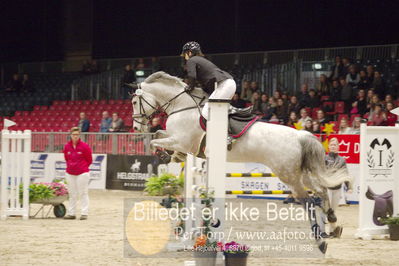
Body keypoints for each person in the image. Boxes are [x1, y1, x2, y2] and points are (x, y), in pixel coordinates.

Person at [181, 41, 236, 147]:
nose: (184, 56)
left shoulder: (192, 60)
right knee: (217, 110)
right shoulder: (201, 61)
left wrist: (189, 87)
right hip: (228, 83)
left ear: (190, 52)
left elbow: (192, 75)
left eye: (185, 53)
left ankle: (226, 137)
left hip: (224, 84)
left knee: (206, 111)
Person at [324, 137, 352, 238]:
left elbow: (345, 174)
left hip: (337, 188)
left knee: (333, 210)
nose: (333, 146)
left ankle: (332, 232)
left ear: (338, 147)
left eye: (335, 145)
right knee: (327, 210)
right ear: (328, 147)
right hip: (327, 187)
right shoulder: (325, 158)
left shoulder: (342, 160)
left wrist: (348, 186)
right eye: (331, 145)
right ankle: (325, 231)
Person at [63, 127, 93, 220]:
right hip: (70, 172)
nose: (75, 136)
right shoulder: (67, 146)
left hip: (82, 173)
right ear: (70, 135)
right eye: (73, 135)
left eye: (77, 135)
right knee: (72, 193)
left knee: (83, 193)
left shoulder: (85, 146)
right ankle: (71, 213)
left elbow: (89, 160)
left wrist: (82, 167)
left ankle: (84, 213)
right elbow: (66, 158)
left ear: (79, 135)